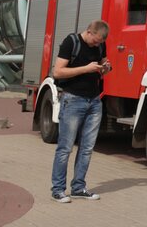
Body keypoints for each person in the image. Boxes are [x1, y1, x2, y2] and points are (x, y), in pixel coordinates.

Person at [50, 20, 111, 203]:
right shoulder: (71, 42)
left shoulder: (100, 45)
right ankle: (58, 190)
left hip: (94, 101)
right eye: (95, 41)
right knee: (65, 148)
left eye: (100, 42)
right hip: (72, 99)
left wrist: (106, 68)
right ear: (89, 32)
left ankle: (78, 187)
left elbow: (103, 65)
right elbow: (58, 72)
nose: (97, 45)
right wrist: (86, 69)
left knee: (87, 148)